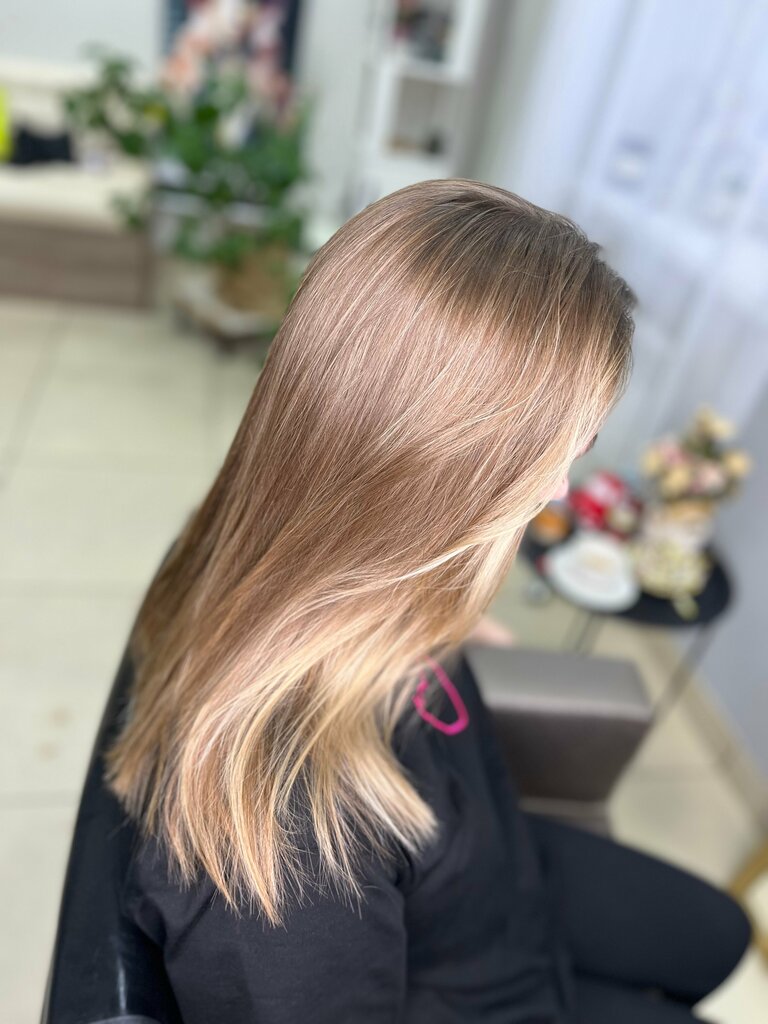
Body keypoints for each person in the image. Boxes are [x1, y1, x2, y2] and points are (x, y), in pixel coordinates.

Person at [107, 179, 751, 1022]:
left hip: (492, 876)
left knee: (721, 936)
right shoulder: (286, 875)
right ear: (431, 476)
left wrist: (441, 622)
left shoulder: (285, 552)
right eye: (553, 456)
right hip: (468, 993)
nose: (560, 487)